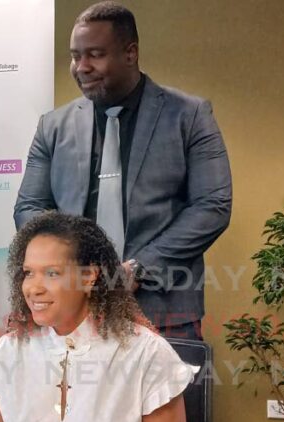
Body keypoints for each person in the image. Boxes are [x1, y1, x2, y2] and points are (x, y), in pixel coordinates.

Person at [12, 1, 232, 340]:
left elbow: (212, 207)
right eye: (75, 56)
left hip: (163, 308)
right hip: (71, 310)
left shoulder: (189, 115)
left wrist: (139, 268)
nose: (81, 67)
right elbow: (29, 207)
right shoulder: (53, 126)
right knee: (68, 394)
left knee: (166, 396)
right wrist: (67, 268)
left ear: (131, 53)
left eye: (95, 55)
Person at [0, 212, 197, 422]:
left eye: (51, 273)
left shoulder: (146, 355)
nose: (34, 288)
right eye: (28, 273)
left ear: (89, 277)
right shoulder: (7, 354)